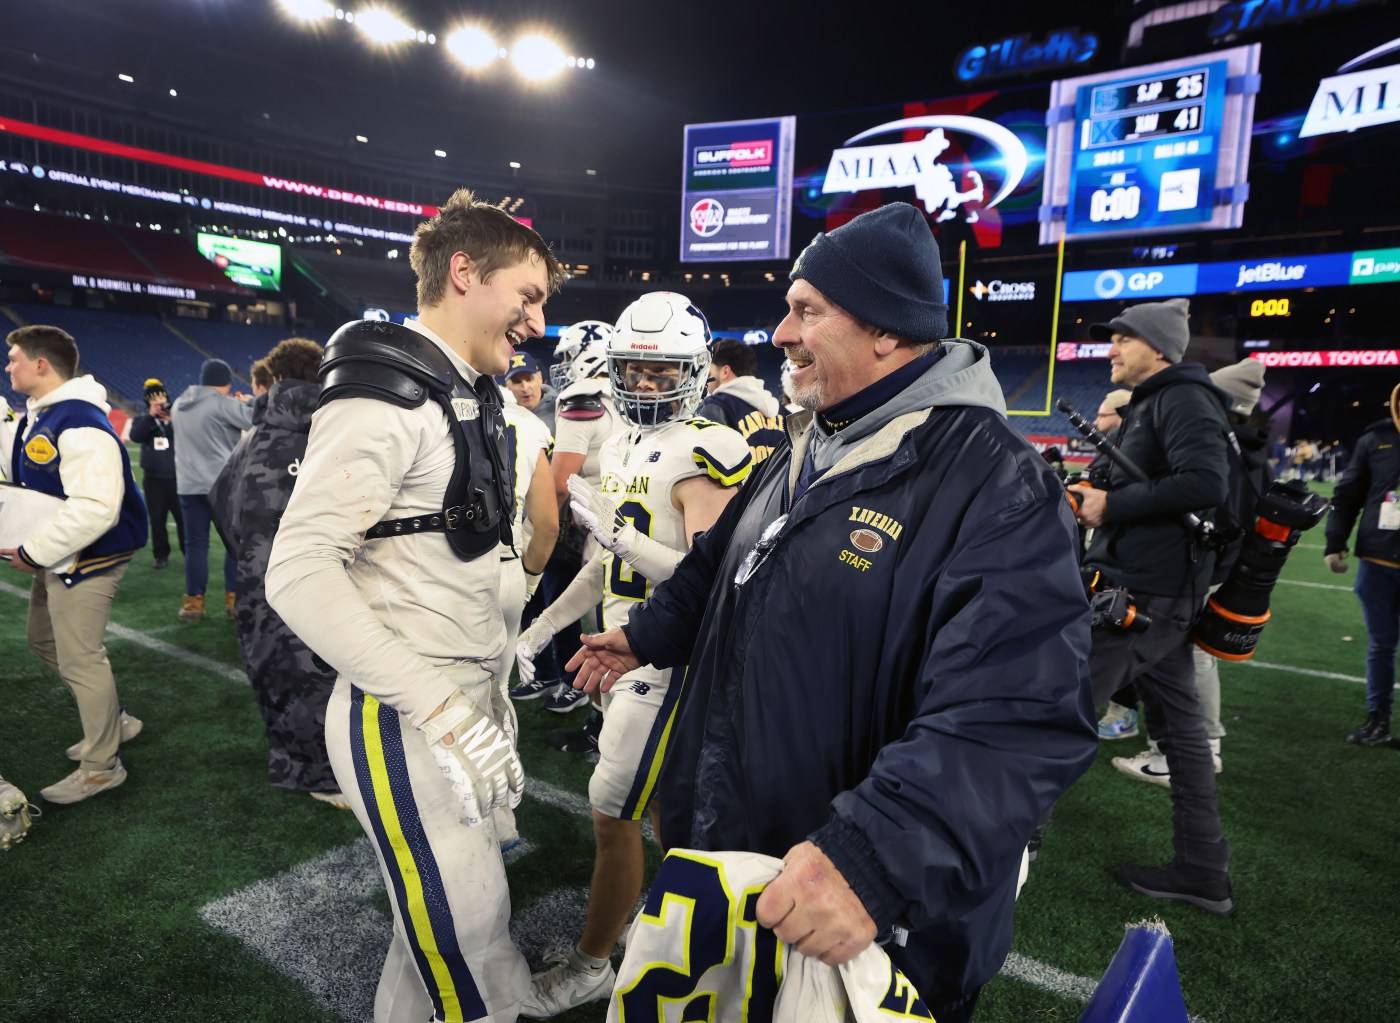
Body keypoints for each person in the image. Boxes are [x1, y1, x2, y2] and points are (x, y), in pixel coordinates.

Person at [567, 203, 1096, 1022]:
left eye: (806, 310)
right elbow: (723, 565)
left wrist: (872, 857)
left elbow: (1016, 713)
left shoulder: (995, 482)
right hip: (754, 873)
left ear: (884, 328)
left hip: (864, 918)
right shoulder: (813, 441)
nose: (781, 332)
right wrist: (646, 634)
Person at [266, 188, 567, 1023]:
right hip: (406, 712)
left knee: (433, 930)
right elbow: (297, 570)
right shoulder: (385, 392)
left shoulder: (466, 391)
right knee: (468, 937)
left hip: (457, 694)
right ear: (465, 272)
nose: (538, 321)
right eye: (528, 295)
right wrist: (442, 705)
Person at [514, 293, 751, 1017]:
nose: (645, 384)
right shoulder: (620, 442)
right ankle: (667, 921)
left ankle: (592, 964)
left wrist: (624, 538)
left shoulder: (708, 448)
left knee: (611, 814)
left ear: (695, 370)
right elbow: (603, 567)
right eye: (635, 370)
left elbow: (709, 580)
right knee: (655, 812)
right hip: (620, 650)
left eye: (662, 371)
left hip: (668, 660)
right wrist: (539, 628)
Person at [1064, 297, 1236, 915]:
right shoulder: (1159, 399)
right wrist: (1098, 491)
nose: (1111, 348)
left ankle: (1007, 846)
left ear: (1157, 349)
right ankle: (1203, 869)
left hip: (1147, 594)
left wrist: (1111, 506)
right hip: (1160, 589)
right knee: (1184, 734)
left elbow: (1205, 482)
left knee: (1055, 709)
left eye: (1123, 338)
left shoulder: (1181, 397)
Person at [3, 325, 148, 804]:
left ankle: (102, 766)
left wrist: (34, 551)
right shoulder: (44, 413)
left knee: (80, 657)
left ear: (41, 364)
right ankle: (114, 721)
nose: (9, 366)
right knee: (44, 640)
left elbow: (96, 509)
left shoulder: (79, 421)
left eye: (15, 358)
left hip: (89, 554)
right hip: (64, 552)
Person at [1112, 357, 1270, 785]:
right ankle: (1187, 750)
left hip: (1205, 566)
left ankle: (1199, 746)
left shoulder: (1219, 449)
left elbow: (1205, 501)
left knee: (1191, 658)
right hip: (1223, 565)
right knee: (1185, 660)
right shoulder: (1249, 449)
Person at [209, 337, 345, 808]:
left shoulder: (254, 437)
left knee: (283, 675)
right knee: (341, 672)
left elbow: (221, 503)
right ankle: (342, 766)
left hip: (264, 582)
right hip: (336, 579)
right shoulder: (342, 430)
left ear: (277, 377)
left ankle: (310, 770)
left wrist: (253, 557)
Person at [533, 325, 624, 720]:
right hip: (631, 521)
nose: (564, 367)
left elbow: (558, 484)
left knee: (600, 626)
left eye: (568, 357)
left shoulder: (581, 398)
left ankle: (603, 725)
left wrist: (540, 535)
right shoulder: (626, 393)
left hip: (597, 528)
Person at [1323, 385, 1400, 747]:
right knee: (1381, 646)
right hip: (1378, 561)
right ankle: (1378, 720)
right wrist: (1335, 542)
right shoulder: (1375, 440)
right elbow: (1348, 494)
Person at [171, 357, 253, 621]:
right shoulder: (221, 403)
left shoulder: (179, 403)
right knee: (234, 544)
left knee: (195, 545)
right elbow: (256, 420)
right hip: (222, 484)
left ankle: (194, 604)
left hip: (188, 485)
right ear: (226, 382)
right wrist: (249, 402)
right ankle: (234, 601)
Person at [1090, 387, 1139, 742]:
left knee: (1116, 642)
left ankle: (1123, 713)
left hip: (1128, 563)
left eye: (1102, 415)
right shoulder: (1117, 448)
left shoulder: (1129, 452)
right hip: (1116, 558)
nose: (1095, 421)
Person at [696, 337, 785, 465]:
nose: (707, 382)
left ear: (725, 371)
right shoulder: (785, 413)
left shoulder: (714, 407)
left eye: (709, 374)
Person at [128, 377, 185, 569]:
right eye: (154, 401)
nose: (159, 403)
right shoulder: (142, 420)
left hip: (177, 478)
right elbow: (136, 436)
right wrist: (151, 416)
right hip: (153, 480)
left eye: (161, 399)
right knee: (157, 519)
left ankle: (188, 551)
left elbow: (188, 435)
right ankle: (161, 555)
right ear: (148, 404)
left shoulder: (177, 419)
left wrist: (173, 420)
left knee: (182, 519)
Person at [502, 352, 556, 431]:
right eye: (517, 381)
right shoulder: (506, 417)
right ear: (508, 385)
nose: (525, 388)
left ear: (539, 378)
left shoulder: (560, 408)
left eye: (529, 379)